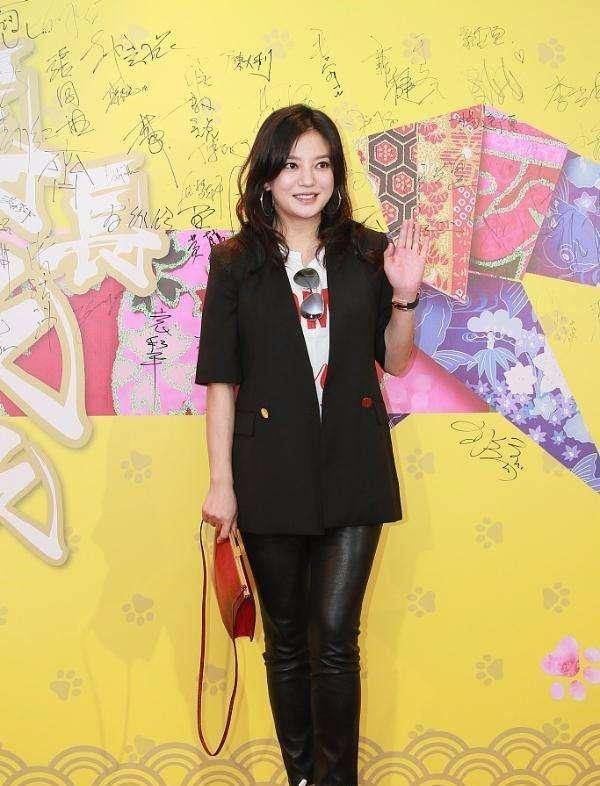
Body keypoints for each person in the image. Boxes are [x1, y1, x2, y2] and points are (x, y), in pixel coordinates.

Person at [195, 104, 428, 786]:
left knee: (335, 638)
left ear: (336, 174)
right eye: (292, 165)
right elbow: (221, 381)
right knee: (287, 643)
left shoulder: (368, 254)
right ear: (267, 176)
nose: (307, 179)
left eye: (321, 164)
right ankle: (301, 777)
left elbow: (396, 361)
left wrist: (405, 296)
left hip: (353, 467)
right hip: (268, 471)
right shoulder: (235, 263)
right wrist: (221, 484)